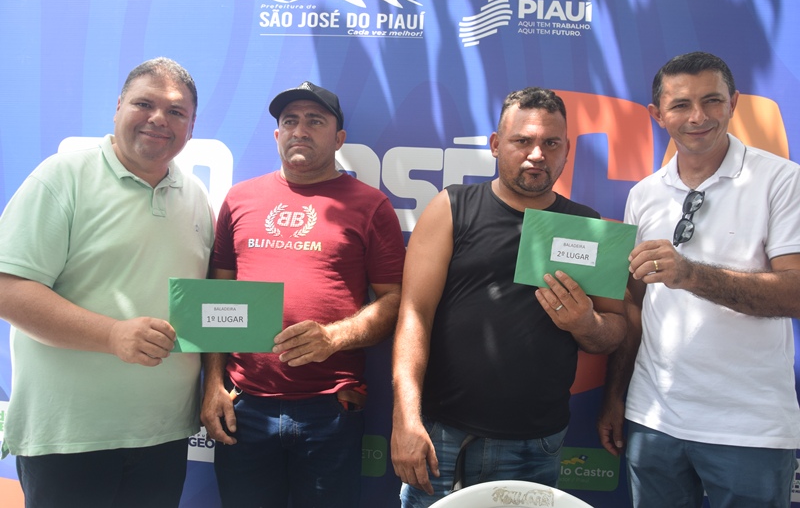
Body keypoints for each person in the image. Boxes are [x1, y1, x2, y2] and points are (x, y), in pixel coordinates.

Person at [391, 87, 626, 507]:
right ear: (496, 144)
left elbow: (615, 331)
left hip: (536, 443)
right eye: (523, 141)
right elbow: (414, 315)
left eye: (551, 143)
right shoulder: (452, 208)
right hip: (443, 435)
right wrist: (406, 418)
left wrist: (586, 324)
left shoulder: (587, 226)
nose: (537, 154)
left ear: (567, 150)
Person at [0, 57, 214, 507]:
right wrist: (113, 334)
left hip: (163, 434)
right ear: (118, 107)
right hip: (71, 437)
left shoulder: (195, 196)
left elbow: (207, 306)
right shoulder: (62, 177)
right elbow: (8, 289)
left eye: (176, 111)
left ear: (192, 127)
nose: (159, 119)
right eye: (144, 104)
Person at [598, 52, 800, 507]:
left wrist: (691, 275)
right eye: (681, 105)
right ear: (657, 115)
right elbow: (635, 306)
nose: (698, 117)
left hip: (750, 429)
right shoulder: (643, 194)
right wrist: (616, 396)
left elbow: (795, 293)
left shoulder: (782, 181)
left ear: (734, 103)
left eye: (712, 100)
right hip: (653, 421)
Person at [200, 81, 405, 508]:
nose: (300, 130)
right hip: (244, 403)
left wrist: (333, 337)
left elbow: (394, 301)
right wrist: (213, 384)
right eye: (290, 121)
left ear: (339, 138)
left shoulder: (370, 205)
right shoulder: (239, 199)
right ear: (277, 135)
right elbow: (217, 297)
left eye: (315, 121)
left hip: (330, 407)